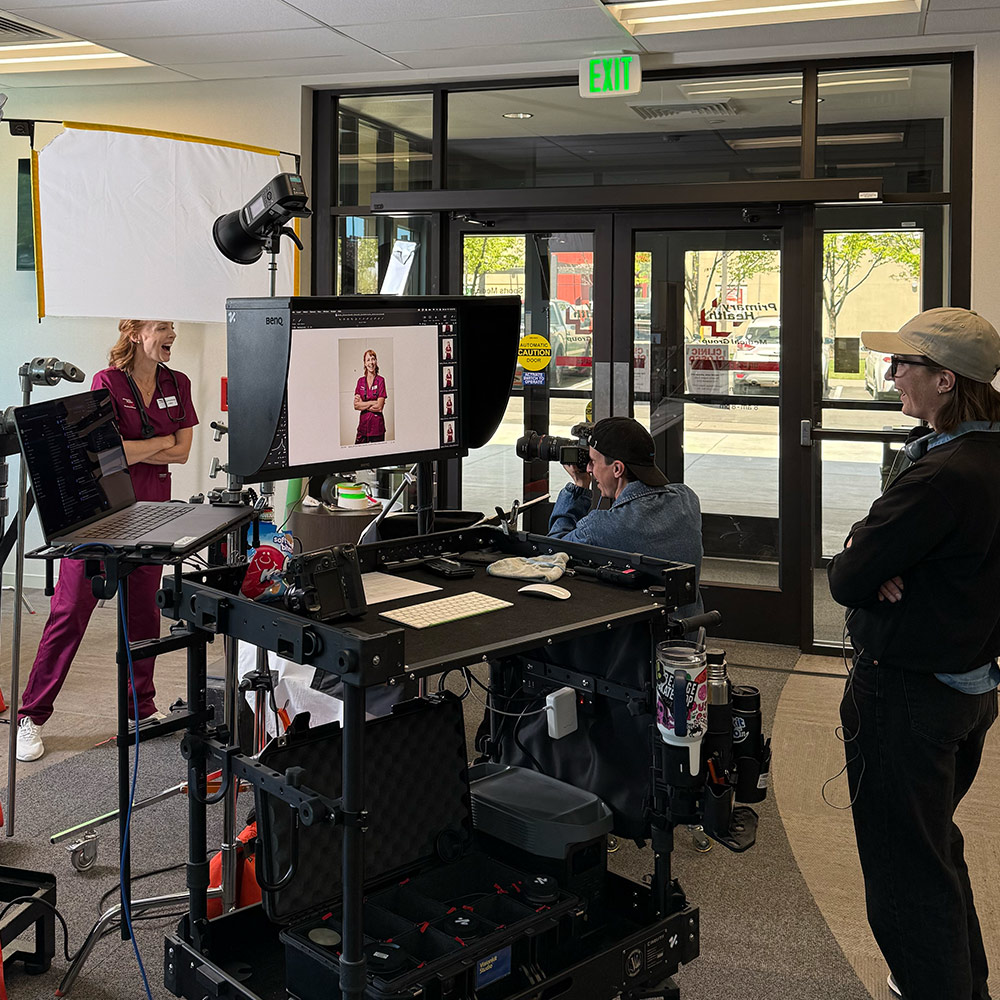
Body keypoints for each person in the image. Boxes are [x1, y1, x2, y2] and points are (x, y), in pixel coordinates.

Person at [827, 307, 1000, 1000]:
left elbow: (845, 577)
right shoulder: (972, 457)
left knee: (905, 874)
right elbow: (866, 561)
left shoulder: (940, 477)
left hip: (907, 696)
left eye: (904, 364)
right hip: (972, 691)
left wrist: (863, 558)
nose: (892, 374)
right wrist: (870, 557)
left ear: (945, 379)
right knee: (934, 850)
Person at [16, 320, 197, 762]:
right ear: (136, 333)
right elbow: (107, 451)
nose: (172, 333)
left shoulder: (180, 382)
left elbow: (184, 450)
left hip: (153, 511)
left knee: (142, 613)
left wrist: (138, 446)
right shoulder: (107, 382)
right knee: (69, 611)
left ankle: (143, 708)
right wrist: (158, 442)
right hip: (101, 513)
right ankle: (31, 716)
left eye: (173, 325)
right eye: (162, 326)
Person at [548, 416, 703, 619]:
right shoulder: (687, 500)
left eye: (593, 462)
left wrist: (579, 487)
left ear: (618, 469)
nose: (588, 469)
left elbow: (551, 553)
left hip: (630, 645)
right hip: (687, 638)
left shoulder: (601, 527)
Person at [354, 348, 387, 444]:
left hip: (377, 429)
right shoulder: (360, 381)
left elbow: (379, 407)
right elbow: (356, 406)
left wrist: (363, 404)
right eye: (368, 360)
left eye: (373, 359)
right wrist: (373, 402)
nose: (371, 362)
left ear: (376, 362)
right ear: (364, 363)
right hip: (363, 427)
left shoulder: (381, 380)